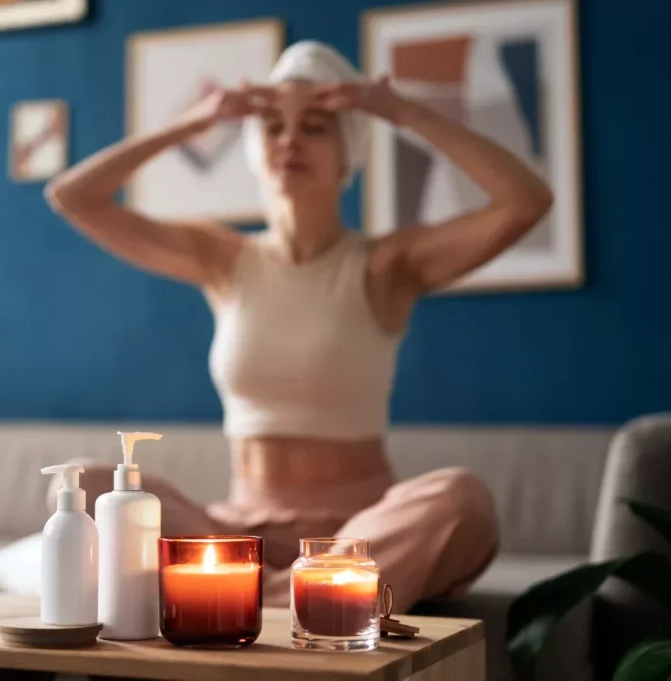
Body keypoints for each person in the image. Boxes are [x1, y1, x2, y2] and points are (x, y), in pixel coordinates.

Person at [44, 41, 552, 613]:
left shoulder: (388, 266)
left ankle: (248, 603)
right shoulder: (223, 259)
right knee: (87, 486)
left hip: (361, 534)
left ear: (347, 155)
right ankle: (313, 603)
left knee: (462, 499)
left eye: (314, 127)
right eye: (271, 127)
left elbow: (525, 202)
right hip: (233, 534)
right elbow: (72, 196)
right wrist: (197, 120)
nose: (288, 141)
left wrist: (401, 112)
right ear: (256, 150)